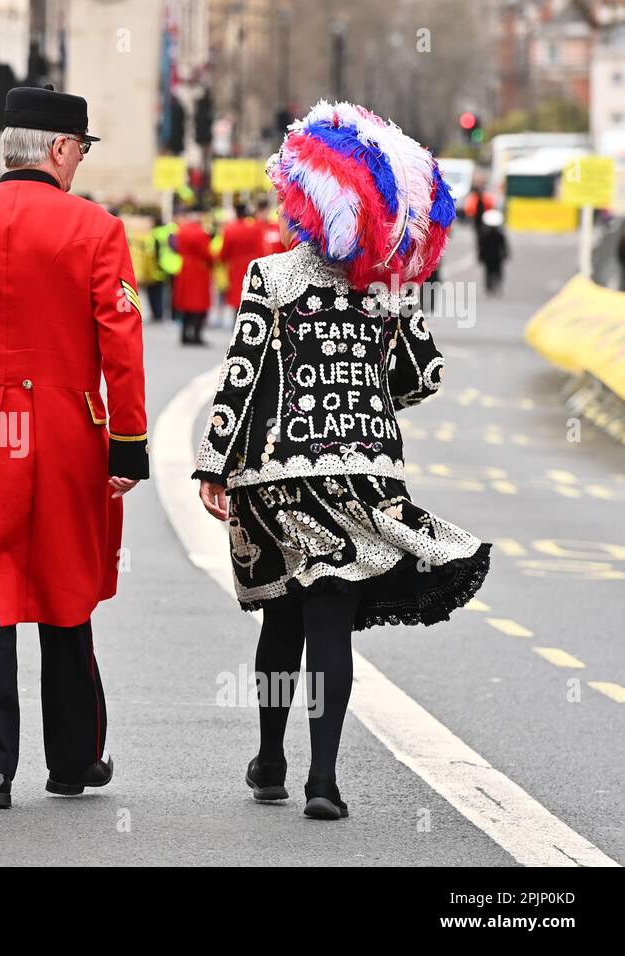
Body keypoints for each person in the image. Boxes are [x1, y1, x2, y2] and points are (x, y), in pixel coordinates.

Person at [193, 101, 491, 821]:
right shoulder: (387, 284)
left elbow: (242, 376)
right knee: (330, 619)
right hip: (363, 479)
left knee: (279, 618)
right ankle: (322, 780)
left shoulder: (270, 276)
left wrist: (212, 464)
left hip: (275, 477)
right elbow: (423, 376)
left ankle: (269, 760)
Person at [0, 85, 148, 809]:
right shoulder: (97, 229)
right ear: (56, 149)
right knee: (66, 595)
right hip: (63, 434)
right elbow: (122, 342)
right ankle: (74, 759)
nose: (78, 161)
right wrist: (130, 444)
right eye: (78, 148)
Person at [171, 207, 214, 345]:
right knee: (198, 304)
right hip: (199, 270)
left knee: (185, 304)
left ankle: (184, 334)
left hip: (185, 268)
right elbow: (207, 253)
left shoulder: (182, 230)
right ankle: (195, 334)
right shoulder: (201, 233)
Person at [218, 202, 265, 318]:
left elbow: (224, 253)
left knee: (237, 298)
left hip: (235, 268)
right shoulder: (255, 229)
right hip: (252, 266)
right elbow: (261, 249)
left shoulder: (230, 230)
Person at [477, 208, 509, 295]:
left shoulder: (485, 235)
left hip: (489, 256)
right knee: (496, 271)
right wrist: (506, 254)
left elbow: (481, 247)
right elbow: (504, 246)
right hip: (497, 256)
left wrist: (480, 256)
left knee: (490, 272)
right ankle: (494, 286)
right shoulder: (499, 234)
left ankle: (491, 287)